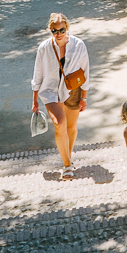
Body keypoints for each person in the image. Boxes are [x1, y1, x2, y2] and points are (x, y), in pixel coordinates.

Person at [32, 12, 90, 179]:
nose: (59, 34)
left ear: (67, 28)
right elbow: (38, 74)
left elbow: (85, 71)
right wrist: (35, 99)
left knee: (71, 127)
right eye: (55, 31)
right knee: (60, 123)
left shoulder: (78, 45)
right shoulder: (44, 48)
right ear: (50, 30)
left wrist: (84, 97)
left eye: (62, 30)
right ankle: (66, 165)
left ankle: (68, 158)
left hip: (72, 91)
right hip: (50, 91)